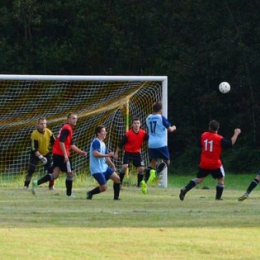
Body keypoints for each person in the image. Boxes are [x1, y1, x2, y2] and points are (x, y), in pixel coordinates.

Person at [179, 120, 241, 201]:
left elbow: (199, 144)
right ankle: (218, 198)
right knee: (221, 178)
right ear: (218, 128)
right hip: (215, 163)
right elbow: (230, 144)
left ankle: (185, 189)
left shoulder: (204, 135)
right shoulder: (219, 138)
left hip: (204, 162)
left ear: (209, 127)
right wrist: (236, 134)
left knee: (199, 179)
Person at [32, 113, 87, 197]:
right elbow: (61, 141)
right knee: (70, 173)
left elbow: (70, 144)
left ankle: (36, 183)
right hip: (62, 154)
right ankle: (69, 194)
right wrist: (65, 155)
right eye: (73, 118)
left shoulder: (67, 128)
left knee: (55, 175)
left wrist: (80, 152)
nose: (75, 120)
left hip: (57, 154)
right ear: (68, 119)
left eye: (76, 118)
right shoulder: (67, 128)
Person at [141, 102, 176, 194]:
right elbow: (170, 129)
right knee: (167, 161)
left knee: (152, 163)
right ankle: (155, 173)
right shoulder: (161, 117)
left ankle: (144, 181)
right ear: (160, 110)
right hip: (160, 143)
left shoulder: (148, 118)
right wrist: (174, 127)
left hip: (151, 143)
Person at [86, 125, 121, 200]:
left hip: (104, 167)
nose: (105, 133)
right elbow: (95, 154)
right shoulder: (96, 142)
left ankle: (116, 198)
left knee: (117, 179)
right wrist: (108, 154)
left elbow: (106, 157)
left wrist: (112, 165)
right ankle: (90, 193)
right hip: (96, 169)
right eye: (103, 131)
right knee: (104, 188)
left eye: (105, 131)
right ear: (98, 133)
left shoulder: (103, 143)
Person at [114, 118, 149, 187]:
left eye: (138, 123)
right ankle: (119, 183)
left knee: (141, 169)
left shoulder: (143, 133)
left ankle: (139, 185)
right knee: (124, 166)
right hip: (128, 152)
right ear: (132, 125)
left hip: (137, 153)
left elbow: (150, 139)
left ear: (140, 124)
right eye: (135, 123)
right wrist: (116, 153)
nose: (136, 125)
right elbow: (120, 144)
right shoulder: (128, 134)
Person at [23, 117, 55, 190]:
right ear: (37, 124)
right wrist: (40, 157)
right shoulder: (34, 134)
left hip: (46, 153)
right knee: (31, 169)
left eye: (44, 123)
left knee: (51, 170)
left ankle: (51, 185)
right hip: (35, 154)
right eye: (41, 124)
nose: (43, 125)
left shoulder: (49, 132)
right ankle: (26, 185)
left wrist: (56, 153)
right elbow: (34, 148)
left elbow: (55, 143)